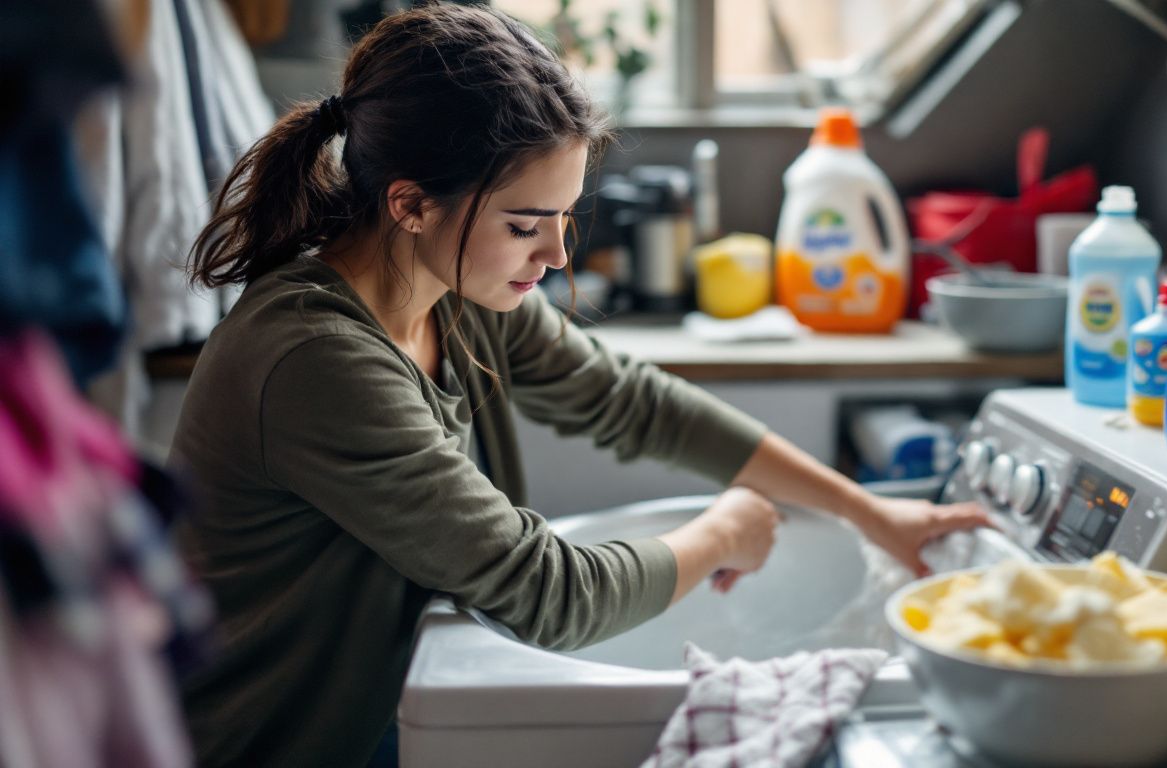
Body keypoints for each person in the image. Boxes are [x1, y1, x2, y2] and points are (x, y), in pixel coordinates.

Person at [170, 5, 987, 767]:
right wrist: (719, 536)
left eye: (565, 219)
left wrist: (873, 514)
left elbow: (631, 402)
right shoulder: (315, 359)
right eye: (526, 226)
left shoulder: (454, 289)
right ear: (411, 205)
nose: (557, 257)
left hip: (381, 710)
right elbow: (546, 590)